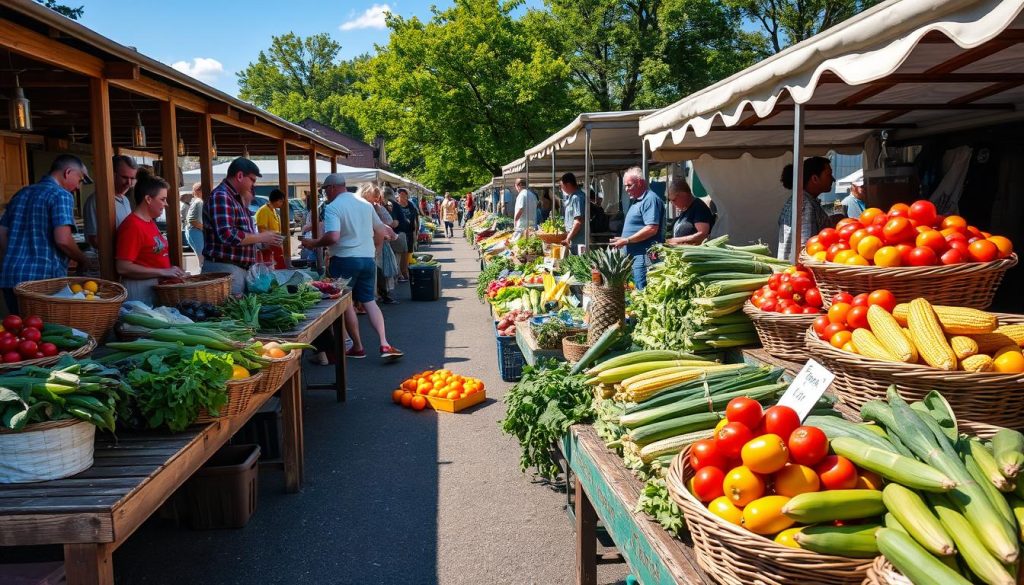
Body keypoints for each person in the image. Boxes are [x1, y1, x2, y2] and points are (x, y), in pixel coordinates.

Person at [301, 173, 403, 360]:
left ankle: (357, 346)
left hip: (344, 259)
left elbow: (333, 237)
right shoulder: (365, 205)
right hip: (367, 258)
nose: (325, 194)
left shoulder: (333, 207)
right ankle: (384, 343)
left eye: (325, 190)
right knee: (369, 301)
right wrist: (384, 242)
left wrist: (313, 243)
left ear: (332, 188)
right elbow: (381, 230)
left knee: (346, 302)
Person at [0, 154, 91, 313]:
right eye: (80, 179)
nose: (78, 187)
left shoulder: (21, 193)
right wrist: (83, 260)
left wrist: (16, 256)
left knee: (19, 332)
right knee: (44, 333)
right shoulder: (61, 195)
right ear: (67, 172)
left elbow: (2, 233)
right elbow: (63, 239)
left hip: (11, 275)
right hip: (42, 280)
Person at [202, 157, 284, 294]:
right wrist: (261, 237)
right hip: (225, 269)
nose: (253, 185)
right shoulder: (221, 196)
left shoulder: (235, 198)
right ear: (240, 176)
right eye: (252, 180)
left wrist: (263, 242)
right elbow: (227, 235)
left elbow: (243, 234)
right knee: (232, 313)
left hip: (235, 269)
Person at [115, 174, 186, 304]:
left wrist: (173, 272)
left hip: (153, 287)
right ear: (148, 199)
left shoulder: (149, 221)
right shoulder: (133, 226)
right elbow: (123, 267)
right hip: (140, 290)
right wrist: (163, 271)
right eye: (162, 199)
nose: (166, 204)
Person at [609, 167, 664, 290]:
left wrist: (627, 240)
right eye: (625, 186)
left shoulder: (650, 199)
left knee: (643, 290)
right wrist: (623, 238)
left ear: (639, 182)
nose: (626, 189)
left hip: (644, 256)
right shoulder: (636, 200)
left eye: (629, 185)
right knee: (637, 290)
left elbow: (652, 228)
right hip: (635, 256)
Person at [777, 156, 835, 262]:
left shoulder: (801, 200)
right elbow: (806, 247)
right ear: (814, 179)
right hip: (799, 271)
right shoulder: (805, 204)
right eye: (829, 174)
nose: (833, 179)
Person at [83, 155, 138, 249]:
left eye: (132, 178)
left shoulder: (125, 200)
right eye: (125, 177)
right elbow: (94, 239)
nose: (129, 183)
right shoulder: (96, 201)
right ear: (112, 175)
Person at [359, 183, 399, 306]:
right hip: (370, 244)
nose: (376, 199)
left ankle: (378, 295)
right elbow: (389, 223)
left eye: (377, 197)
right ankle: (375, 297)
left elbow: (387, 223)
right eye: (374, 196)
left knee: (379, 270)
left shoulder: (377, 208)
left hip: (377, 243)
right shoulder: (367, 207)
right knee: (377, 271)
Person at [665, 177, 713, 246]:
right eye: (670, 201)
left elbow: (703, 234)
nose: (672, 203)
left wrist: (678, 240)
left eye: (674, 200)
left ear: (683, 194)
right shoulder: (686, 208)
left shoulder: (698, 207)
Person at [255, 189, 287, 269]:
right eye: (281, 201)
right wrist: (275, 235)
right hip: (268, 247)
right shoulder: (263, 211)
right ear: (277, 200)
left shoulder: (274, 211)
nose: (282, 204)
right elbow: (261, 230)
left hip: (275, 245)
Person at [393, 188, 419, 281]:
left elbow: (415, 218)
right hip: (399, 232)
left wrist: (416, 231)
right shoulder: (395, 205)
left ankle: (404, 271)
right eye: (402, 194)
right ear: (398, 195)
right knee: (401, 253)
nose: (404, 196)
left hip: (409, 231)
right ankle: (401, 273)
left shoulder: (411, 205)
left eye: (405, 194)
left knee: (408, 252)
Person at [560, 172, 586, 254]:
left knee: (579, 263)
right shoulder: (572, 197)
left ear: (567, 185)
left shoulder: (577, 197)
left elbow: (578, 222)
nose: (561, 189)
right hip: (573, 239)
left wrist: (568, 238)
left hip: (578, 240)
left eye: (562, 186)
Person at [184, 182, 204, 268]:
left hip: (192, 231)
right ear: (199, 191)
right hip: (196, 232)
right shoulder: (199, 202)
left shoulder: (196, 201)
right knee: (203, 261)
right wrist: (206, 229)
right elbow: (192, 220)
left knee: (201, 261)